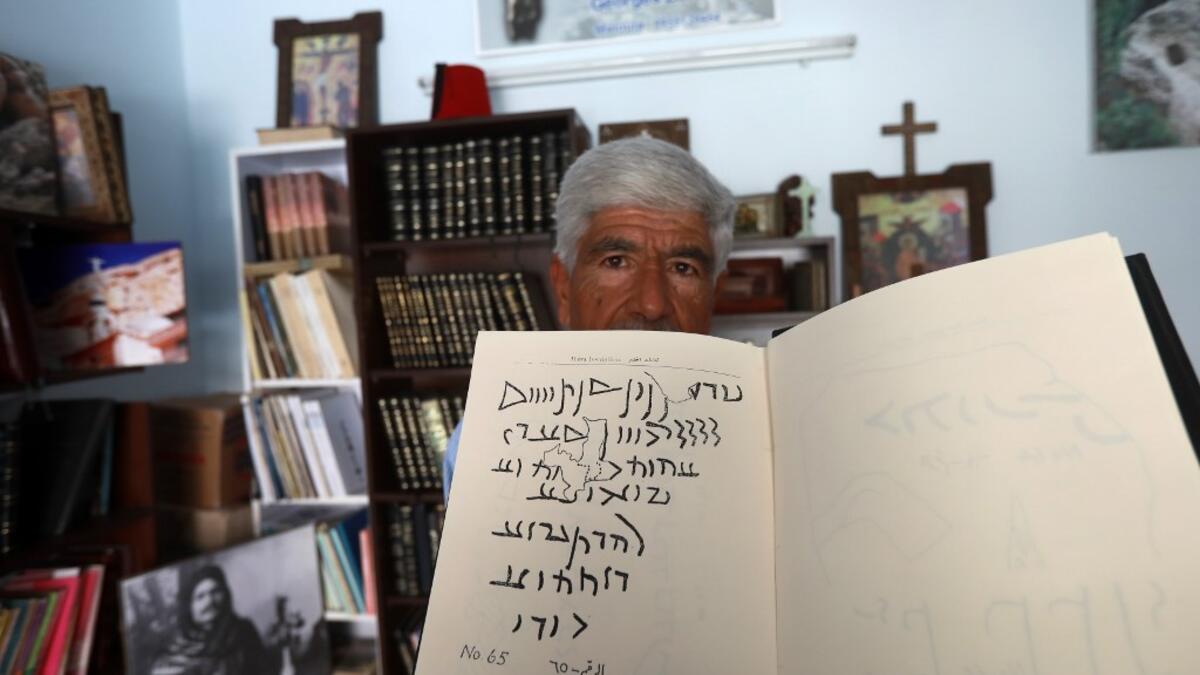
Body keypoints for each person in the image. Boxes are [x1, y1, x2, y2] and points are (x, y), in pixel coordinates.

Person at [442, 136, 735, 499]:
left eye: (682, 268)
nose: (652, 305)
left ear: (713, 295)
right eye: (616, 262)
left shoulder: (770, 437)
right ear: (564, 288)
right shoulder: (485, 442)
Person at [151, 565, 278, 675]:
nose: (209, 601)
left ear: (226, 595)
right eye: (200, 597)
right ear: (189, 607)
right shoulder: (171, 650)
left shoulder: (243, 631)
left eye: (215, 592)